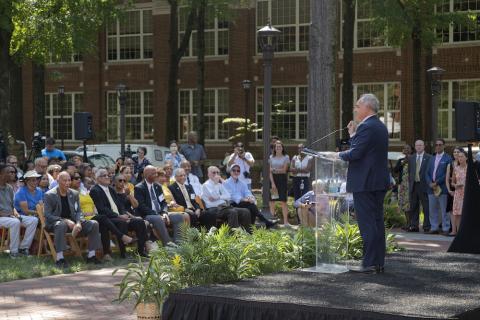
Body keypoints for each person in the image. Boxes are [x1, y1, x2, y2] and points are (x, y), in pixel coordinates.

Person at [338, 93, 390, 274]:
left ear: (367, 107)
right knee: (376, 222)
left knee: (368, 223)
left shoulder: (366, 126)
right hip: (377, 182)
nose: (355, 109)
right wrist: (353, 135)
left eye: (357, 106)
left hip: (366, 183)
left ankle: (368, 263)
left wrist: (335, 155)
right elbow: (364, 150)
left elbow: (355, 154)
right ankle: (377, 262)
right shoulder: (380, 126)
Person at [43, 171, 102, 268]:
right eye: (64, 180)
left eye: (69, 180)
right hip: (55, 224)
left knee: (94, 223)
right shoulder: (50, 195)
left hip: (73, 223)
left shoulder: (74, 193)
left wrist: (78, 223)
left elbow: (78, 211)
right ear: (58, 181)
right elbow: (47, 215)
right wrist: (65, 220)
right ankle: (60, 258)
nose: (67, 183)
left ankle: (91, 256)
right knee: (61, 224)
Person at [90, 169, 147, 259]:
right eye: (104, 175)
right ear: (98, 179)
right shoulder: (95, 190)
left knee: (140, 222)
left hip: (120, 216)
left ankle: (141, 251)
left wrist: (125, 215)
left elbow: (120, 205)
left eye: (108, 175)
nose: (107, 177)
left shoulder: (111, 189)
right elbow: (102, 209)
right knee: (122, 222)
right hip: (108, 218)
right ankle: (124, 253)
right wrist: (119, 216)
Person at [134, 165, 181, 246]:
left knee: (179, 217)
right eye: (154, 173)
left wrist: (164, 212)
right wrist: (157, 214)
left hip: (160, 213)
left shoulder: (157, 186)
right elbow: (141, 206)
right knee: (158, 219)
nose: (156, 175)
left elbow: (164, 202)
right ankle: (168, 244)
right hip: (147, 215)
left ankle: (179, 243)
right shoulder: (139, 188)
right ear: (148, 175)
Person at [0, 165, 38, 258]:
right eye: (10, 172)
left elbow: (12, 206)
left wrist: (16, 214)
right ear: (1, 174)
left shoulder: (9, 187)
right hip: (2, 217)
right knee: (15, 222)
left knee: (33, 220)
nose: (13, 174)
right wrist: (10, 215)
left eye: (14, 172)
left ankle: (23, 248)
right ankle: (14, 252)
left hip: (9, 216)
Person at [224, 164, 277, 228]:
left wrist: (251, 198)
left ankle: (252, 227)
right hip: (232, 203)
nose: (236, 172)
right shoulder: (226, 182)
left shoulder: (242, 183)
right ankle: (264, 222)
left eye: (238, 171)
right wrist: (244, 199)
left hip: (243, 203)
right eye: (234, 170)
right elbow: (232, 196)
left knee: (251, 205)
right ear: (230, 172)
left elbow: (247, 192)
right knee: (251, 206)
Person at [425, 138, 452, 235]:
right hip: (431, 188)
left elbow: (447, 174)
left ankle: (446, 228)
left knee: (444, 210)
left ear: (444, 146)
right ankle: (434, 227)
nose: (438, 146)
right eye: (436, 145)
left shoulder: (448, 158)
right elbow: (426, 173)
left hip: (443, 188)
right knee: (432, 209)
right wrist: (430, 183)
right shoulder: (431, 158)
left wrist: (437, 182)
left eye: (440, 145)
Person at [407, 140, 432, 232]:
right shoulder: (411, 158)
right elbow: (410, 172)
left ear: (424, 146)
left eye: (420, 145)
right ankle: (414, 225)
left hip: (424, 185)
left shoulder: (429, 157)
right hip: (414, 185)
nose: (418, 147)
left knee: (426, 206)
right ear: (415, 146)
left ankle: (426, 226)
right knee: (413, 206)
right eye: (417, 145)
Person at [269, 141, 290, 226]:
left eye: (280, 147)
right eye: (277, 147)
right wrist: (273, 183)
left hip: (282, 180)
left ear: (282, 148)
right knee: (272, 201)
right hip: (273, 180)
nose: (278, 148)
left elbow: (284, 170)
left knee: (283, 201)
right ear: (274, 148)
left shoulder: (286, 157)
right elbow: (269, 172)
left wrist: (274, 169)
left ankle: (286, 222)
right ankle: (271, 222)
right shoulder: (271, 157)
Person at [394, 144, 413, 230]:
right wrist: (402, 163)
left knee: (410, 204)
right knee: (404, 205)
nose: (406, 150)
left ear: (411, 150)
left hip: (411, 185)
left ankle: (412, 223)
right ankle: (407, 223)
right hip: (402, 185)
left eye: (408, 148)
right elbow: (395, 170)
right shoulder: (401, 160)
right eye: (404, 148)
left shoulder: (414, 159)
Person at [450, 148, 467, 236]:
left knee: (466, 212)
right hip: (458, 193)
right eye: (459, 157)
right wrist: (456, 185)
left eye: (462, 156)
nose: (460, 158)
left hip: (467, 193)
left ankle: (466, 231)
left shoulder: (470, 168)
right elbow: (452, 182)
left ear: (466, 158)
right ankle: (458, 232)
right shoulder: (456, 168)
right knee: (457, 213)